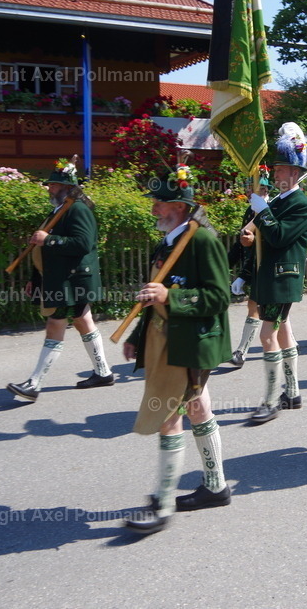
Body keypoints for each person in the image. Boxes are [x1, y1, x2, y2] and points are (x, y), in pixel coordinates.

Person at [122, 169, 233, 535]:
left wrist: (172, 297)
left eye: (162, 203)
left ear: (181, 207)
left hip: (190, 341)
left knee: (169, 417)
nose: (155, 209)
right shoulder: (168, 243)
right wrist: (138, 333)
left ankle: (164, 505)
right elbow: (154, 295)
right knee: (198, 408)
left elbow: (220, 297)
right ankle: (215, 487)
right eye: (155, 203)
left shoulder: (203, 242)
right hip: (163, 338)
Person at [7, 158, 113, 401]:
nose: (49, 188)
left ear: (67, 187)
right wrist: (36, 277)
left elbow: (83, 244)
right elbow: (42, 251)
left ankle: (34, 383)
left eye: (54, 185)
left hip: (73, 280)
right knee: (82, 320)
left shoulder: (78, 209)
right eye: (50, 185)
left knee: (56, 323)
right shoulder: (57, 211)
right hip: (59, 279)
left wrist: (49, 240)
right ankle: (103, 372)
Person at [241, 123, 307, 423]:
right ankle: (292, 392)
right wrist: (249, 236)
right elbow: (261, 236)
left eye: (281, 170)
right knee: (282, 331)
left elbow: (281, 236)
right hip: (267, 275)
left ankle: (270, 401)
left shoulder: (301, 204)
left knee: (267, 333)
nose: (274, 174)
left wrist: (263, 211)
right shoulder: (276, 201)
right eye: (275, 169)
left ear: (295, 174)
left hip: (283, 278)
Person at [228, 166, 272, 369]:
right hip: (253, 267)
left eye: (252, 189)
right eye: (247, 189)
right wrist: (224, 266)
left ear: (264, 191)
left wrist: (243, 275)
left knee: (259, 308)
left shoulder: (272, 210)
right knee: (269, 311)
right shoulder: (250, 211)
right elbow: (242, 242)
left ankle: (242, 351)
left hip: (269, 268)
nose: (248, 193)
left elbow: (264, 248)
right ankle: (290, 343)